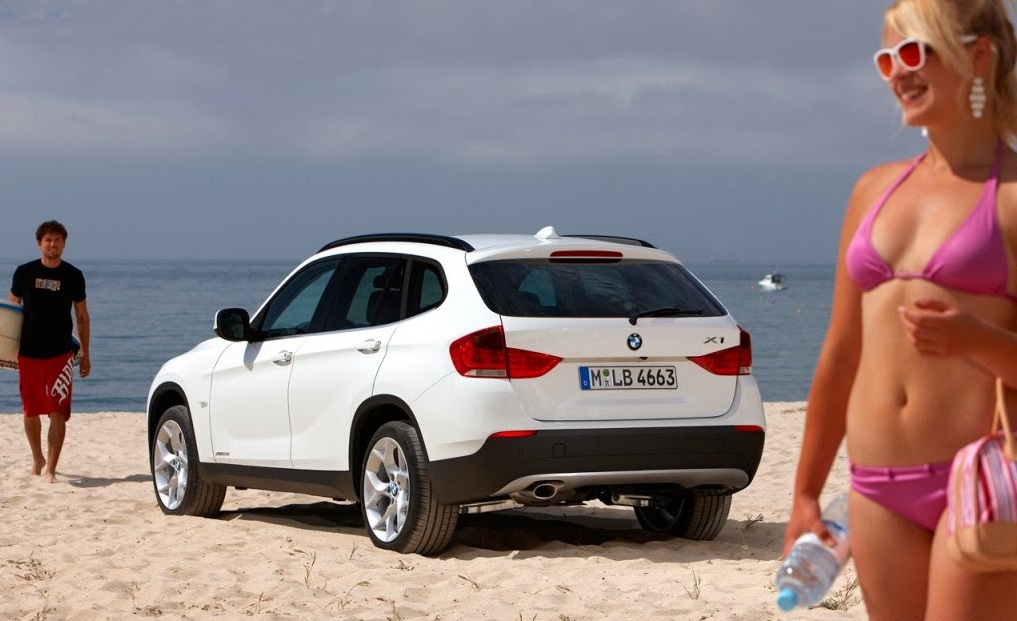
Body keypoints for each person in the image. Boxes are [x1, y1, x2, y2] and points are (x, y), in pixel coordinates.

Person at [783, 1, 1017, 619]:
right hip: (876, 488)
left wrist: (975, 340)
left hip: (980, 485)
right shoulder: (872, 191)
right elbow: (841, 351)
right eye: (887, 59)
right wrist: (806, 491)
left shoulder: (1013, 197)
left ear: (979, 55)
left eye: (914, 52)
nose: (898, 72)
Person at [9, 220, 90, 484]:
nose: (53, 244)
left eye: (57, 240)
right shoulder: (24, 273)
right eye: (48, 240)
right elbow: (11, 313)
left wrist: (86, 354)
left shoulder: (73, 275)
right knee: (30, 411)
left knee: (58, 411)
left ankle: (51, 469)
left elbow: (82, 316)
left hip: (60, 354)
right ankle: (37, 458)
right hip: (28, 353)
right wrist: (7, 352)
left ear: (64, 244)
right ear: (39, 243)